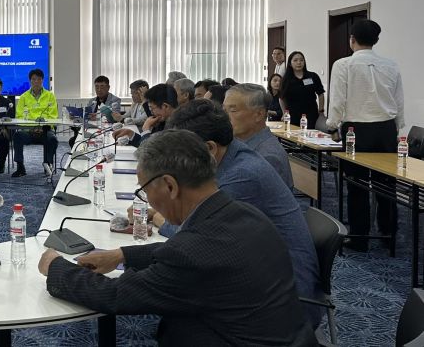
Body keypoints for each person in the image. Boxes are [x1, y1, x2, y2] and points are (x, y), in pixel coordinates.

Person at [38, 130, 317, 347]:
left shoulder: (193, 253)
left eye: (144, 190)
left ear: (170, 186)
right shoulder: (244, 213)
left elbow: (115, 295)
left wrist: (56, 267)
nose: (146, 199)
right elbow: (188, 251)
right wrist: (122, 255)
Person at [163, 99, 322, 325]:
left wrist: (159, 217)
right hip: (262, 275)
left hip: (283, 303)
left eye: (182, 152)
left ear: (209, 148)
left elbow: (194, 237)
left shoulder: (242, 175)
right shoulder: (231, 155)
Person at [326, 19, 404, 252]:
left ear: (352, 40)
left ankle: (360, 238)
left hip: (356, 131)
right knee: (387, 184)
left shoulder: (343, 64)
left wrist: (332, 125)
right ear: (376, 40)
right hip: (386, 129)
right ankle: (388, 232)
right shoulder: (391, 65)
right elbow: (398, 101)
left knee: (356, 185)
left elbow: (337, 100)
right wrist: (397, 128)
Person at [224, 84, 294, 188]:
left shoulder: (267, 157)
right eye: (224, 110)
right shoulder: (238, 143)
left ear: (259, 114)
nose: (224, 116)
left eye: (233, 111)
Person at [12, 68, 58, 177]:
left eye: (39, 79)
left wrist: (43, 127)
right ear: (30, 80)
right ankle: (20, 167)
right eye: (33, 79)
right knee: (17, 136)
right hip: (28, 131)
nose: (36, 81)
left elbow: (53, 116)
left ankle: (48, 164)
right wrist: (32, 127)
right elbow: (19, 116)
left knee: (52, 139)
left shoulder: (50, 96)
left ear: (42, 80)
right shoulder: (24, 97)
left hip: (45, 130)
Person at [113, 83, 178, 147]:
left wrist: (146, 130)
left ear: (165, 106)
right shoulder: (162, 121)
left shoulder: (176, 128)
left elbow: (149, 150)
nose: (151, 113)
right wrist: (130, 134)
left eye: (152, 108)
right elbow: (149, 142)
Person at [69, 75, 122, 146]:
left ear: (108, 87)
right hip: (92, 129)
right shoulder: (92, 101)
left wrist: (97, 116)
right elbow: (87, 115)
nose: (99, 90)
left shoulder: (115, 100)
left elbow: (114, 118)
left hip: (107, 131)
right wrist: (75, 116)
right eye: (97, 87)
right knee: (73, 141)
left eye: (102, 87)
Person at [279, 50, 326, 129]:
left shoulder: (312, 76)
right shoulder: (286, 79)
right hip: (293, 115)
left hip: (311, 114)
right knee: (293, 135)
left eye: (301, 60)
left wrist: (321, 111)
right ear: (290, 63)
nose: (299, 62)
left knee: (310, 134)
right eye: (295, 60)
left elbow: (321, 94)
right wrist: (284, 113)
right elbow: (281, 98)